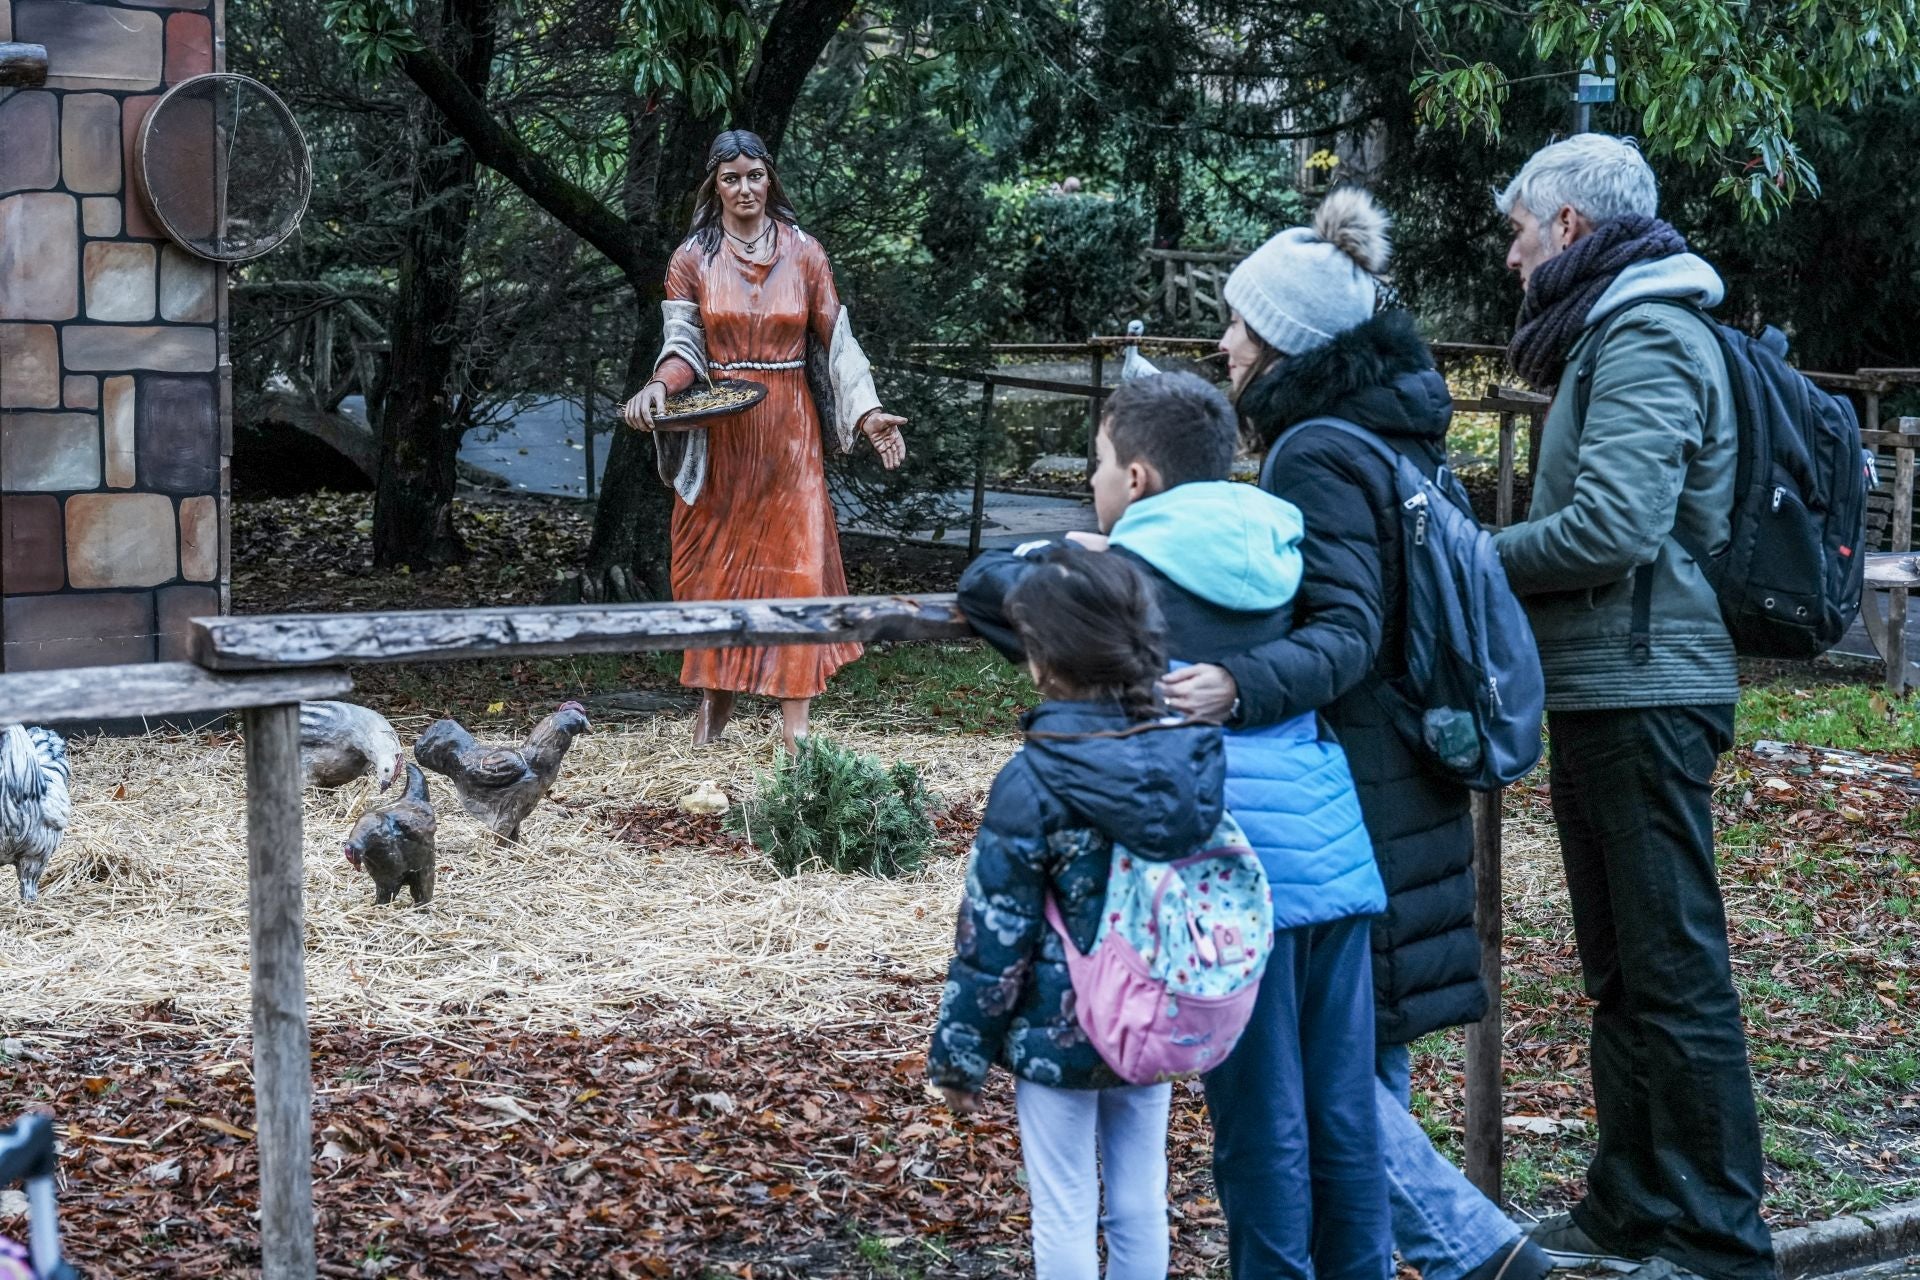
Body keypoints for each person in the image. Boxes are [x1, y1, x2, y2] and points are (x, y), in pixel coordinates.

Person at [1164, 189, 1552, 1280]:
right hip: (1410, 776)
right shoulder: (1394, 432)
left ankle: (1490, 1255)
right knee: (1363, 1062)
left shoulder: (1315, 453)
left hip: (1357, 785)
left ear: (1288, 335)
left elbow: (1342, 635)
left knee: (1329, 1080)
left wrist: (1233, 683)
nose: (1225, 341)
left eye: (1241, 322)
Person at [957, 372, 1388, 1280]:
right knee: (1345, 1110)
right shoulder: (1281, 539)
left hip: (1234, 873)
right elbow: (1344, 637)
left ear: (1141, 480)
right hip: (1334, 850)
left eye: (1102, 467)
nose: (1094, 485)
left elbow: (986, 585)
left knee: (1262, 1123)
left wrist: (1061, 548)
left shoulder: (1119, 579)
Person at [1490, 134, 1771, 1280]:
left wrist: (1469, 552)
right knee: (1622, 969)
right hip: (1605, 682)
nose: (1511, 257)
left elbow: (1612, 527)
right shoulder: (1616, 326)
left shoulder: (1650, 329)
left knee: (1673, 969)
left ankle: (1714, 1235)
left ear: (1568, 229)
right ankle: (1632, 1205)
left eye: (1519, 229)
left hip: (1649, 685)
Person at [926, 548, 1224, 1280]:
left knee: (1062, 1201)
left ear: (1043, 659)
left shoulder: (1031, 781)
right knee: (1139, 1193)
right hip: (1154, 1013)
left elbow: (993, 939)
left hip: (1059, 1033)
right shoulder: (1192, 757)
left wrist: (960, 1059)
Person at [622, 129, 908, 753]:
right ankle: (711, 713)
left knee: (798, 569)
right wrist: (658, 387)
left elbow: (838, 342)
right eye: (731, 178)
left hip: (789, 433)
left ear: (770, 178)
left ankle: (796, 730)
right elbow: (683, 349)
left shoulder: (805, 253)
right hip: (724, 435)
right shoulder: (692, 257)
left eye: (755, 175)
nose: (745, 188)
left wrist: (869, 413)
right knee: (712, 576)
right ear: (714, 186)